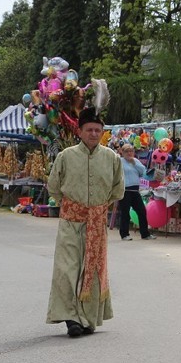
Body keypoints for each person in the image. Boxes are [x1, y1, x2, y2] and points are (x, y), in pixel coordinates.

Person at [46, 108, 125, 337]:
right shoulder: (66, 156)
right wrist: (72, 207)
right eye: (89, 129)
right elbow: (53, 186)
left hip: (97, 223)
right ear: (79, 131)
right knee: (67, 269)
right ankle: (71, 318)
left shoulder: (112, 158)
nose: (93, 134)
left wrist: (97, 210)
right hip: (71, 221)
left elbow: (117, 190)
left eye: (97, 130)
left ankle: (88, 319)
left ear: (103, 132)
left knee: (93, 268)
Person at [118, 143, 156, 240]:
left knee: (142, 211)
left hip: (135, 190)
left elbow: (143, 172)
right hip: (125, 190)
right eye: (127, 151)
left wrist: (134, 163)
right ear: (122, 152)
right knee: (125, 212)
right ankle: (124, 234)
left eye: (131, 151)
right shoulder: (119, 161)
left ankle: (145, 234)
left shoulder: (135, 161)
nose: (129, 153)